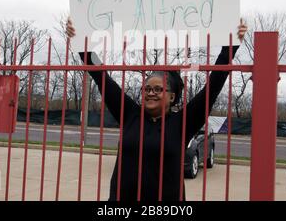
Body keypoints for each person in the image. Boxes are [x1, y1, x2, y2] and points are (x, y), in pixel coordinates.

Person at [66, 18, 247, 201]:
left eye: (158, 89)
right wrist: (81, 43)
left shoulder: (182, 123)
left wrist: (229, 49)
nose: (151, 93)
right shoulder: (130, 114)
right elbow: (101, 76)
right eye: (147, 89)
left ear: (172, 96)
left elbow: (213, 86)